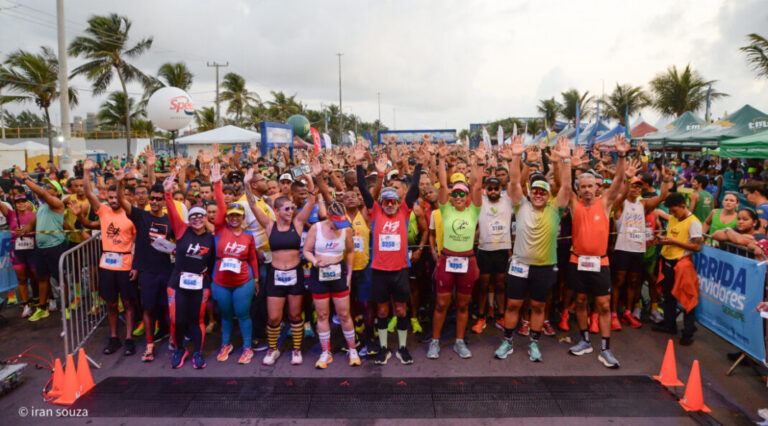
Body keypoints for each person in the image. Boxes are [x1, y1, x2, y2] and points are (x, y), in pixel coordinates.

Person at [492, 136, 571, 362]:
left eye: (542, 192)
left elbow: (566, 187)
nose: (538, 194)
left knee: (538, 306)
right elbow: (514, 183)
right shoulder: (522, 205)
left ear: (548, 195)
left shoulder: (555, 209)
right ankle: (507, 342)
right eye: (535, 191)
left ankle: (534, 344)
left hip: (544, 267)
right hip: (519, 265)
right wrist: (518, 157)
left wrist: (566, 161)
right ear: (530, 193)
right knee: (513, 304)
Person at [355, 141, 423, 366]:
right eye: (386, 201)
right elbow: (363, 189)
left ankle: (402, 348)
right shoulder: (375, 213)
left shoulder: (404, 212)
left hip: (400, 271)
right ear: (381, 203)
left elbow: (414, 188)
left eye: (394, 200)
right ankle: (384, 349)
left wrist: (419, 164)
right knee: (382, 312)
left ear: (398, 202)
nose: (390, 204)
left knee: (401, 310)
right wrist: (360, 164)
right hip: (379, 272)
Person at [567, 135, 629, 369]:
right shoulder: (574, 204)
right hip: (577, 261)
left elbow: (619, 180)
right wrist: (567, 163)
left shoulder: (605, 203)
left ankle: (605, 348)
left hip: (600, 263)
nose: (586, 190)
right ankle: (584, 341)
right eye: (582, 186)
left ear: (597, 187)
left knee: (603, 305)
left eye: (590, 186)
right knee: (580, 301)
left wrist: (621, 155)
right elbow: (563, 185)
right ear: (578, 188)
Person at [249, 164, 318, 366]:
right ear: (277, 211)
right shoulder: (269, 225)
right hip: (276, 276)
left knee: (295, 315)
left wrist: (309, 178)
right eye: (287, 208)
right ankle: (273, 349)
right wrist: (246, 184)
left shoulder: (298, 223)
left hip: (295, 274)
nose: (291, 211)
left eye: (292, 208)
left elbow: (312, 200)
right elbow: (252, 205)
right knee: (273, 318)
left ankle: (296, 350)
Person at [427, 141, 483, 360]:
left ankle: (459, 341)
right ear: (451, 197)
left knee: (462, 304)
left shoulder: (473, 211)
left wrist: (478, 162)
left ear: (467, 197)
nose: (458, 197)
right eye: (455, 194)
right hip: (447, 260)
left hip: (467, 261)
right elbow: (442, 185)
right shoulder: (446, 210)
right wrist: (441, 159)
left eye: (462, 194)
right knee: (441, 304)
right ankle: (435, 342)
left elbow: (477, 186)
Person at [115, 168, 173, 362]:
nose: (155, 201)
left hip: (166, 271)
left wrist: (173, 250)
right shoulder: (141, 216)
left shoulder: (170, 220)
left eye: (158, 199)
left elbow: (178, 243)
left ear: (164, 201)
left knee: (167, 310)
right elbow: (122, 201)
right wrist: (120, 182)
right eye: (152, 198)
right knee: (148, 309)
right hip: (147, 272)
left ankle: (173, 340)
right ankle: (149, 344)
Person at [83, 158, 138, 356]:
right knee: (111, 303)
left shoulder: (131, 215)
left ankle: (129, 338)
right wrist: (86, 171)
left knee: (129, 303)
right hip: (107, 265)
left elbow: (137, 244)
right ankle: (114, 337)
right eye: (111, 197)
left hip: (126, 264)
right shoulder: (103, 211)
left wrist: (136, 266)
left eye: (116, 197)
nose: (113, 200)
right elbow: (88, 193)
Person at [163, 173, 216, 369]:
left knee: (197, 320)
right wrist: (167, 193)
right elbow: (171, 211)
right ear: (188, 219)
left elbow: (213, 262)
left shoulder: (211, 238)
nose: (197, 219)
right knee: (177, 320)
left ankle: (198, 352)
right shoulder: (182, 230)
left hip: (200, 284)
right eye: (193, 216)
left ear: (205, 218)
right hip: (177, 283)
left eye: (200, 216)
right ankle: (179, 349)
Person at [210, 163, 260, 364]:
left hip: (243, 282)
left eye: (238, 216)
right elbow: (221, 206)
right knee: (226, 315)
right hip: (221, 282)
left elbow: (253, 258)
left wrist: (256, 279)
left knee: (243, 314)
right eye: (231, 215)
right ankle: (226, 344)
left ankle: (247, 347)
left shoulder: (248, 236)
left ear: (242, 217)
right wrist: (217, 183)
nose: (234, 219)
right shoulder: (220, 230)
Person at [611, 167, 670, 329]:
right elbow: (620, 196)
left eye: (639, 187)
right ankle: (613, 313)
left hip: (638, 250)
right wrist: (628, 179)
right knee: (618, 282)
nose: (637, 189)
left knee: (634, 282)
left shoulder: (643, 204)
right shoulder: (620, 203)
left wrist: (665, 180)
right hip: (622, 249)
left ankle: (628, 312)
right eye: (634, 186)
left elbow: (662, 196)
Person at [302, 201, 360, 368]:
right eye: (336, 222)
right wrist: (315, 261)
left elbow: (350, 251)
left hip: (338, 274)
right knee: (322, 315)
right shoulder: (316, 228)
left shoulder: (346, 229)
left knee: (344, 314)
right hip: (319, 274)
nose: (338, 226)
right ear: (328, 216)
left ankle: (352, 349)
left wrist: (349, 275)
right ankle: (326, 352)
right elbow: (306, 250)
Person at [652, 192, 703, 346]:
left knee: (687, 298)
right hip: (668, 260)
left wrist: (673, 242)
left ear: (683, 206)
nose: (672, 214)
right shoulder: (674, 218)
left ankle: (688, 332)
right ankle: (670, 325)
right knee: (668, 296)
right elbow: (672, 237)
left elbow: (697, 247)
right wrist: (662, 240)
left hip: (682, 264)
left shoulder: (694, 223)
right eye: (670, 211)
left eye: (674, 211)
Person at [19, 169, 67, 321]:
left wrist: (25, 179)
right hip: (41, 248)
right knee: (42, 278)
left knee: (60, 279)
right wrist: (24, 229)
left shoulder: (58, 203)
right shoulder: (41, 208)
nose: (46, 189)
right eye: (46, 186)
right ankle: (42, 308)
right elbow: (31, 224)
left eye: (50, 187)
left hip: (55, 247)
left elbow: (41, 193)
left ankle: (66, 307)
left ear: (57, 193)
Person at [472, 174, 512, 335]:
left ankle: (501, 316)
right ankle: (481, 317)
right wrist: (479, 165)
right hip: (484, 250)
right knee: (483, 285)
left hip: (502, 250)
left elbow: (518, 182)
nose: (493, 191)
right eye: (490, 189)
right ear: (485, 190)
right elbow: (474, 186)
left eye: (496, 188)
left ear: (501, 189)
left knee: (500, 284)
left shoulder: (507, 201)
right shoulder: (480, 202)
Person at [0, 194, 36, 318]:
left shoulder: (34, 215)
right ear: (14, 204)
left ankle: (40, 301)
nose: (21, 204)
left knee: (36, 276)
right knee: (22, 278)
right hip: (17, 252)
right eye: (18, 202)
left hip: (32, 250)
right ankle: (26, 305)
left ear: (27, 202)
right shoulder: (11, 214)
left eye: (23, 201)